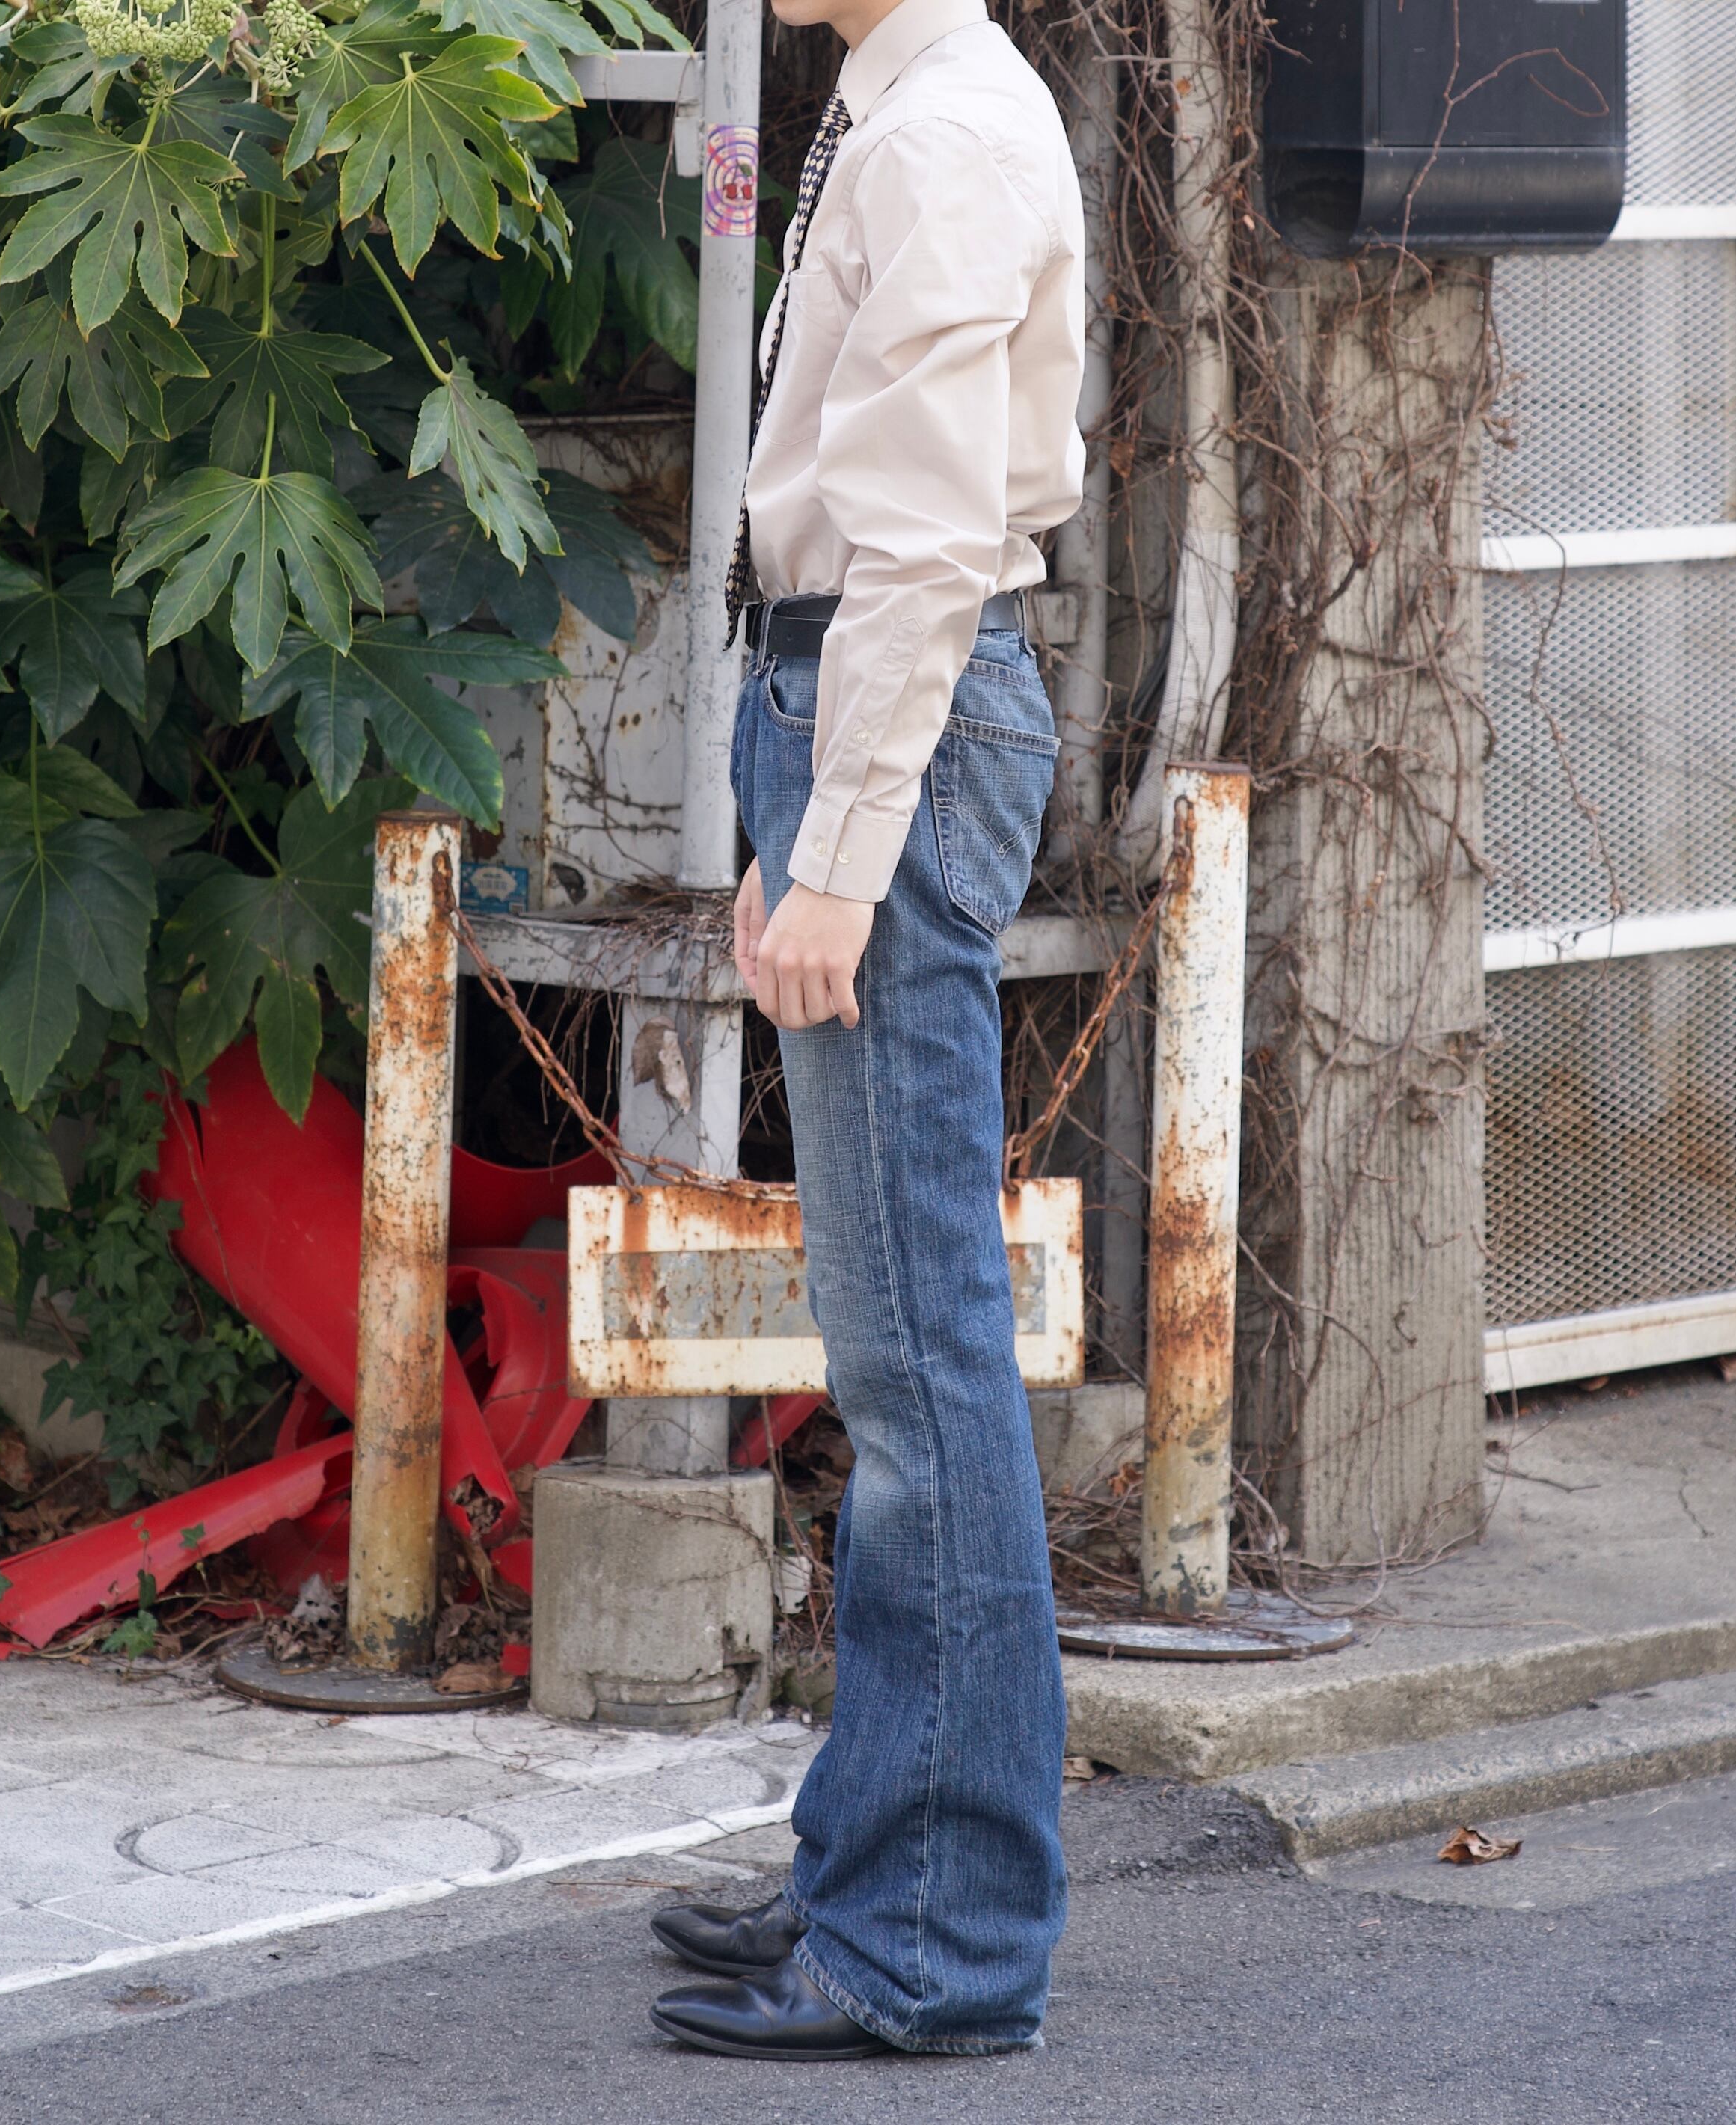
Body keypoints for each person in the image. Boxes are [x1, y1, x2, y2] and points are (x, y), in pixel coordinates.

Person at [643, 0, 1089, 2064]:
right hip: (847, 702)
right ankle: (872, 1867)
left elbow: (918, 544)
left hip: (892, 700)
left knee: (921, 1365)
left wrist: (839, 843)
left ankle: (934, 1938)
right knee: (894, 1343)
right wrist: (799, 814)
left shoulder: (941, 136)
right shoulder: (897, 103)